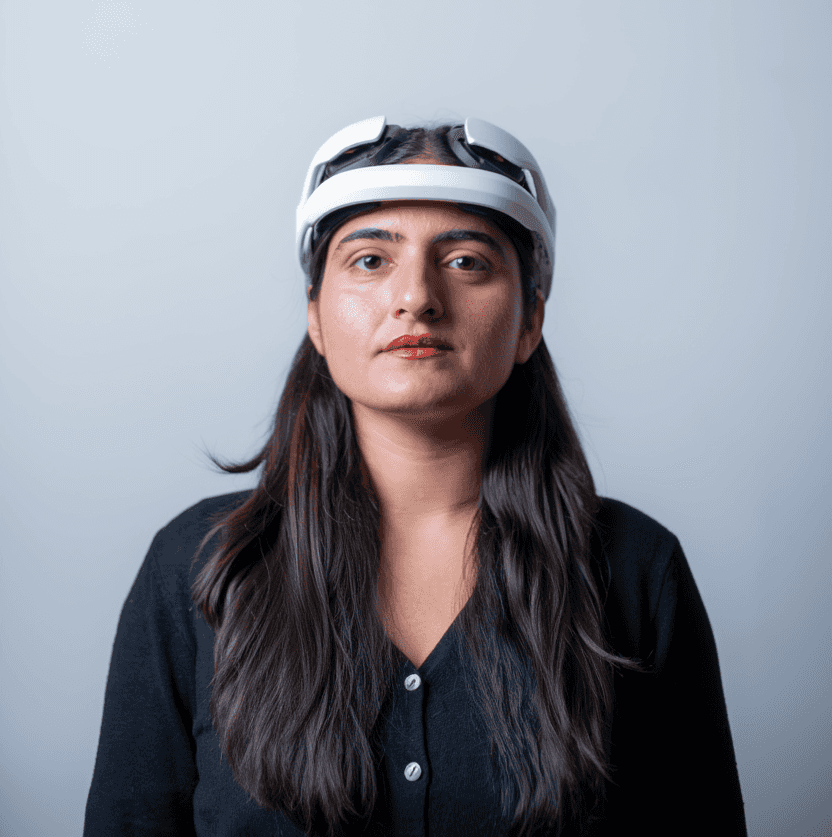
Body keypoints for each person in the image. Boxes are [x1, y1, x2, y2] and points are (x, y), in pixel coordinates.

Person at [84, 116, 747, 837]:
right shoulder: (199, 567)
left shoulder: (635, 569)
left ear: (530, 321)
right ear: (315, 315)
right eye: (370, 260)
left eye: (466, 261)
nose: (416, 297)